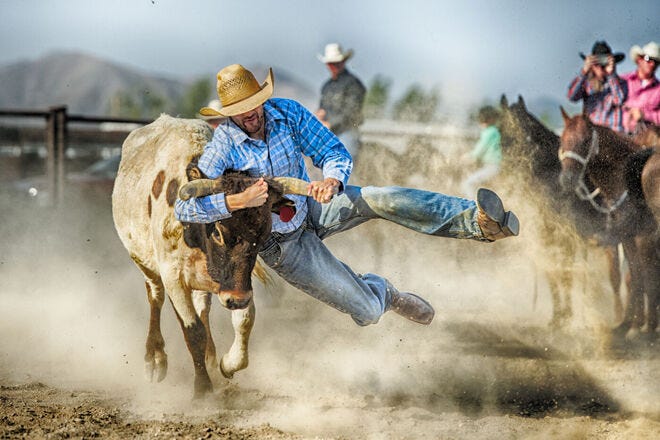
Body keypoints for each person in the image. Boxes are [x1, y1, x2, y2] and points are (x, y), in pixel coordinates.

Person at [174, 64, 519, 327]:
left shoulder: (287, 113)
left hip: (312, 203)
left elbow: (333, 152)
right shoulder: (222, 146)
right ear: (227, 114)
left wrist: (331, 180)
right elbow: (185, 207)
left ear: (263, 98)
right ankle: (386, 294)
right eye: (238, 110)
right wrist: (236, 202)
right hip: (281, 243)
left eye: (253, 103)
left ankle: (477, 222)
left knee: (382, 197)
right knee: (367, 312)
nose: (248, 114)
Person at [314, 43, 366, 160]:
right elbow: (322, 108)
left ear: (343, 62)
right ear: (327, 64)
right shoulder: (327, 86)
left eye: (337, 63)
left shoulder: (353, 84)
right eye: (331, 63)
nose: (334, 66)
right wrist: (320, 115)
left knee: (345, 164)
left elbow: (352, 112)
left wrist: (331, 124)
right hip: (329, 134)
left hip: (346, 131)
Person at [567, 40, 627, 132]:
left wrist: (611, 75)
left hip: (613, 134)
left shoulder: (621, 83)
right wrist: (584, 71)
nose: (600, 67)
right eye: (597, 63)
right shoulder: (586, 83)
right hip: (593, 133)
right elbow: (571, 97)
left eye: (604, 62)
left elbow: (618, 100)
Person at [461, 106, 502, 198]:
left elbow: (479, 151)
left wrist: (466, 157)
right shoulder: (493, 131)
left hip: (492, 167)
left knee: (468, 184)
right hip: (492, 166)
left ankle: (474, 208)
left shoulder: (490, 132)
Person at [621, 41, 660, 134]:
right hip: (618, 135)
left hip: (645, 139)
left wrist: (644, 115)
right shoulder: (623, 81)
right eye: (649, 59)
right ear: (639, 59)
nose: (652, 64)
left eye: (656, 62)